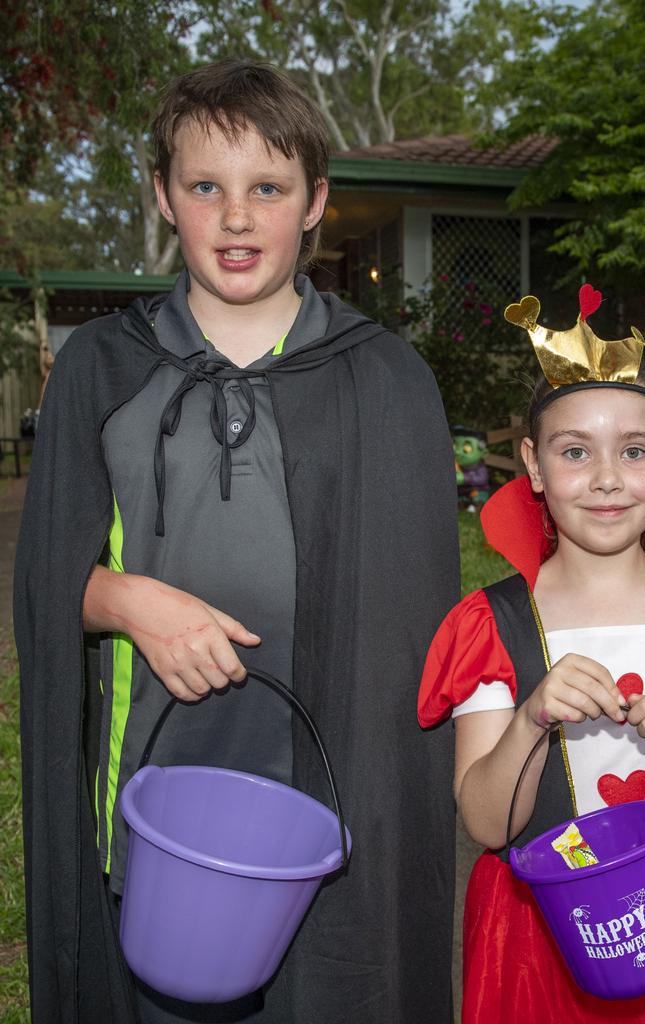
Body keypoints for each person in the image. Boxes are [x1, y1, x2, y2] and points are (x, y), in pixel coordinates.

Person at [15, 59, 459, 1024]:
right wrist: (130, 601)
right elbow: (46, 577)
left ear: (315, 205)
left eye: (268, 187)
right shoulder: (101, 365)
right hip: (157, 776)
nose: (237, 215)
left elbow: (425, 629)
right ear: (165, 199)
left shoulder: (384, 379)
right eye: (205, 186)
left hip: (331, 777)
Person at [419, 285, 645, 1022]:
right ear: (534, 466)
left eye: (633, 451)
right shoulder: (494, 627)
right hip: (538, 934)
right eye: (575, 452)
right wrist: (530, 720)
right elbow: (487, 823)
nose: (607, 479)